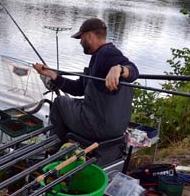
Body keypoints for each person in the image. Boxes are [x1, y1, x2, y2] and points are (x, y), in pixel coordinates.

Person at [33, 17, 139, 145]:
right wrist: (51, 74)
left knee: (60, 102)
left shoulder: (107, 53)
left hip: (98, 126)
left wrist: (119, 69)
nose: (80, 42)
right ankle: (67, 143)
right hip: (117, 128)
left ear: (89, 36)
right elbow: (78, 89)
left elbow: (133, 70)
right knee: (71, 103)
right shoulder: (98, 57)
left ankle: (54, 148)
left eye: (81, 38)